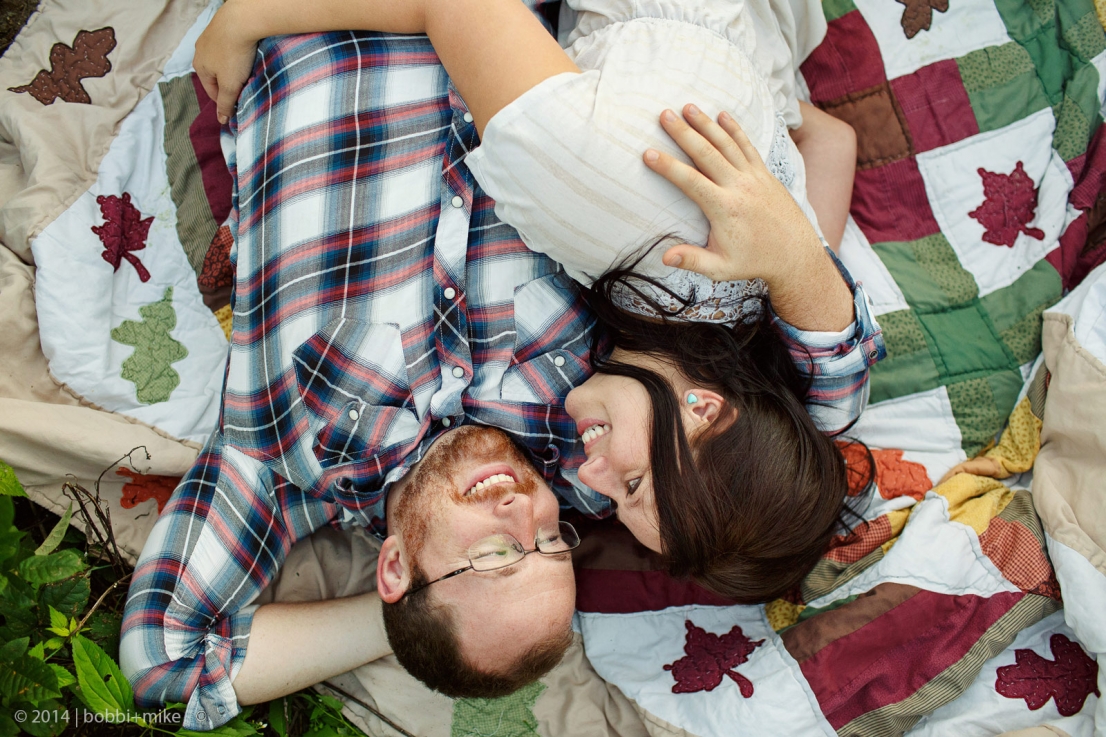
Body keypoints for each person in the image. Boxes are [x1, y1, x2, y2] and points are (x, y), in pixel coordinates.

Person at [194, 0, 885, 605]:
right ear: (705, 409)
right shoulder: (621, 214)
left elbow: (832, 143)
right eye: (631, 483)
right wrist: (248, 17)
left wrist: (796, 245)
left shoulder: (739, 313)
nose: (589, 478)